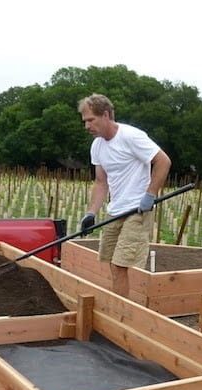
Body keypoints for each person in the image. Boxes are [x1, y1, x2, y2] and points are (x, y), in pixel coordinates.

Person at [77, 94, 171, 298]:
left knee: (121, 264)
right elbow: (102, 182)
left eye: (91, 120)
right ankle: (121, 304)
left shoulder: (131, 136)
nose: (87, 126)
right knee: (111, 261)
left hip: (137, 210)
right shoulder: (97, 146)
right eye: (84, 121)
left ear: (106, 115)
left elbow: (163, 161)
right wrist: (90, 213)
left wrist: (150, 195)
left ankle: (120, 312)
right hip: (115, 211)